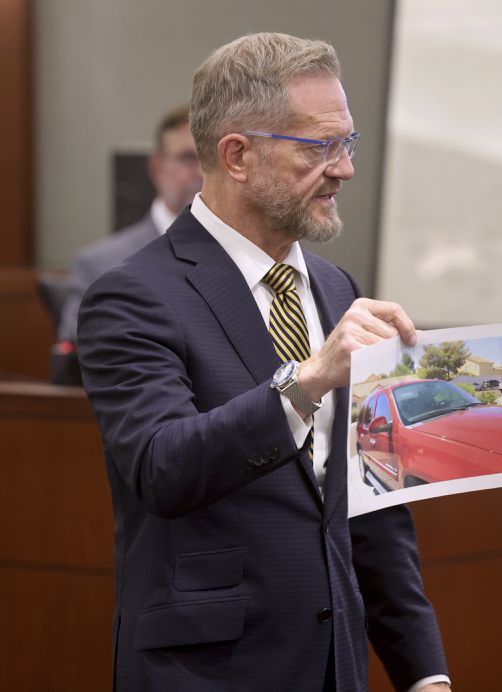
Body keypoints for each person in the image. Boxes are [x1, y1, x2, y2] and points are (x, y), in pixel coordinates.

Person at [77, 32, 450, 691]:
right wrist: (305, 383)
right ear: (238, 155)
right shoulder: (133, 295)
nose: (344, 169)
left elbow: (376, 509)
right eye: (319, 147)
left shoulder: (340, 291)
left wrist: (425, 674)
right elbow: (163, 467)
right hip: (209, 671)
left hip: (335, 664)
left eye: (348, 143)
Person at [53, 105, 202, 384]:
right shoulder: (100, 264)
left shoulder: (249, 254)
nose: (202, 171)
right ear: (157, 167)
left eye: (209, 158)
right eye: (188, 158)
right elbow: (74, 367)